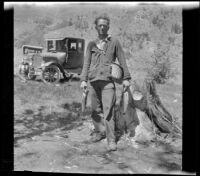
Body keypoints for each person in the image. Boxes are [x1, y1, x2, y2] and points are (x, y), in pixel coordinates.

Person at [80, 14, 131, 151]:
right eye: (99, 25)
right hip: (93, 81)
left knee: (108, 111)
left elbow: (122, 60)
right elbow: (86, 63)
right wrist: (84, 80)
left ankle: (111, 140)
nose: (102, 27)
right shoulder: (91, 44)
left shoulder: (114, 42)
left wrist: (126, 78)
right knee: (95, 111)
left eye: (105, 25)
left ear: (108, 27)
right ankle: (99, 132)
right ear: (96, 27)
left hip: (108, 82)